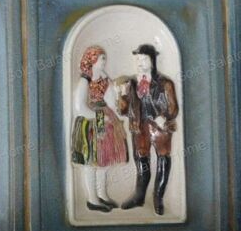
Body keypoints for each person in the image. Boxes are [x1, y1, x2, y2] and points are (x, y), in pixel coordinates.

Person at [118, 43, 179, 215]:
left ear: (152, 61)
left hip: (160, 128)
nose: (140, 62)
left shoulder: (165, 83)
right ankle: (139, 196)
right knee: (141, 160)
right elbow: (123, 111)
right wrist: (123, 95)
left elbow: (174, 108)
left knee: (163, 160)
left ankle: (158, 198)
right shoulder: (130, 83)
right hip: (139, 127)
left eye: (144, 59)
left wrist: (164, 116)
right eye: (137, 59)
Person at [71, 45, 129, 212]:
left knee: (104, 158)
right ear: (93, 60)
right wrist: (99, 117)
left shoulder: (104, 78)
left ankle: (102, 194)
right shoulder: (85, 81)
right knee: (91, 161)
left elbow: (111, 99)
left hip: (104, 118)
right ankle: (92, 199)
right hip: (90, 122)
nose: (104, 62)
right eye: (102, 59)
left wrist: (118, 107)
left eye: (104, 59)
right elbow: (79, 107)